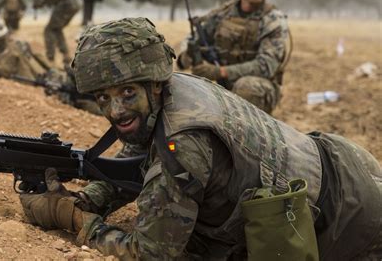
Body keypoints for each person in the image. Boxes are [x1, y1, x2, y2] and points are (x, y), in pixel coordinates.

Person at [20, 18, 381, 260]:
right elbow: (138, 157)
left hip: (349, 226)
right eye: (103, 98)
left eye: (127, 93)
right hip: (342, 163)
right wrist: (89, 198)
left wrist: (73, 219)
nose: (115, 111)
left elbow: (152, 252)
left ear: (153, 84)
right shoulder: (175, 89)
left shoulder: (184, 143)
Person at [178, 0, 289, 114]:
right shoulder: (222, 14)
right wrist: (188, 55)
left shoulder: (273, 20)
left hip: (259, 87)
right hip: (223, 85)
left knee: (246, 88)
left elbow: (265, 66)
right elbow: (195, 38)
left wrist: (221, 71)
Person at [0, 17, 100, 114]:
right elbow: (44, 62)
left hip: (49, 87)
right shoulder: (19, 44)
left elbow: (27, 83)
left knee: (87, 100)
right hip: (56, 80)